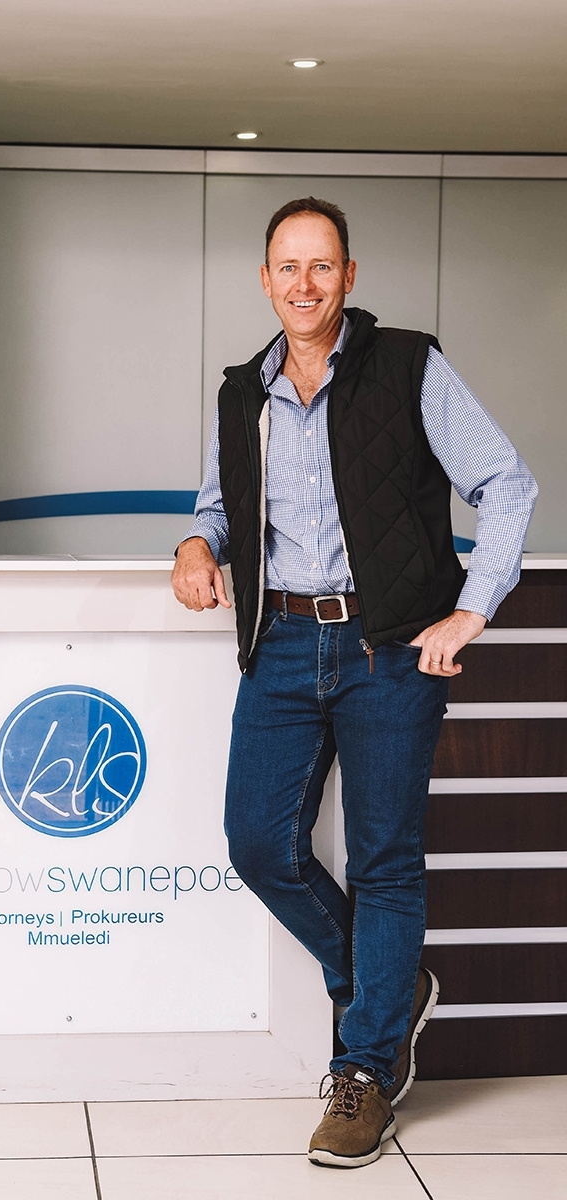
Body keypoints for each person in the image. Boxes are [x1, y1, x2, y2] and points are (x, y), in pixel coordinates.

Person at [171, 197, 537, 1169]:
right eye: (287, 267)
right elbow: (219, 509)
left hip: (389, 651)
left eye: (321, 266)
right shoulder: (239, 393)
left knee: (383, 861)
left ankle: (364, 1070)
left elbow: (506, 484)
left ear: (348, 276)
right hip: (282, 645)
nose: (304, 284)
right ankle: (388, 989)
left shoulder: (409, 365)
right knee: (258, 843)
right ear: (264, 279)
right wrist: (195, 546)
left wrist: (471, 608)